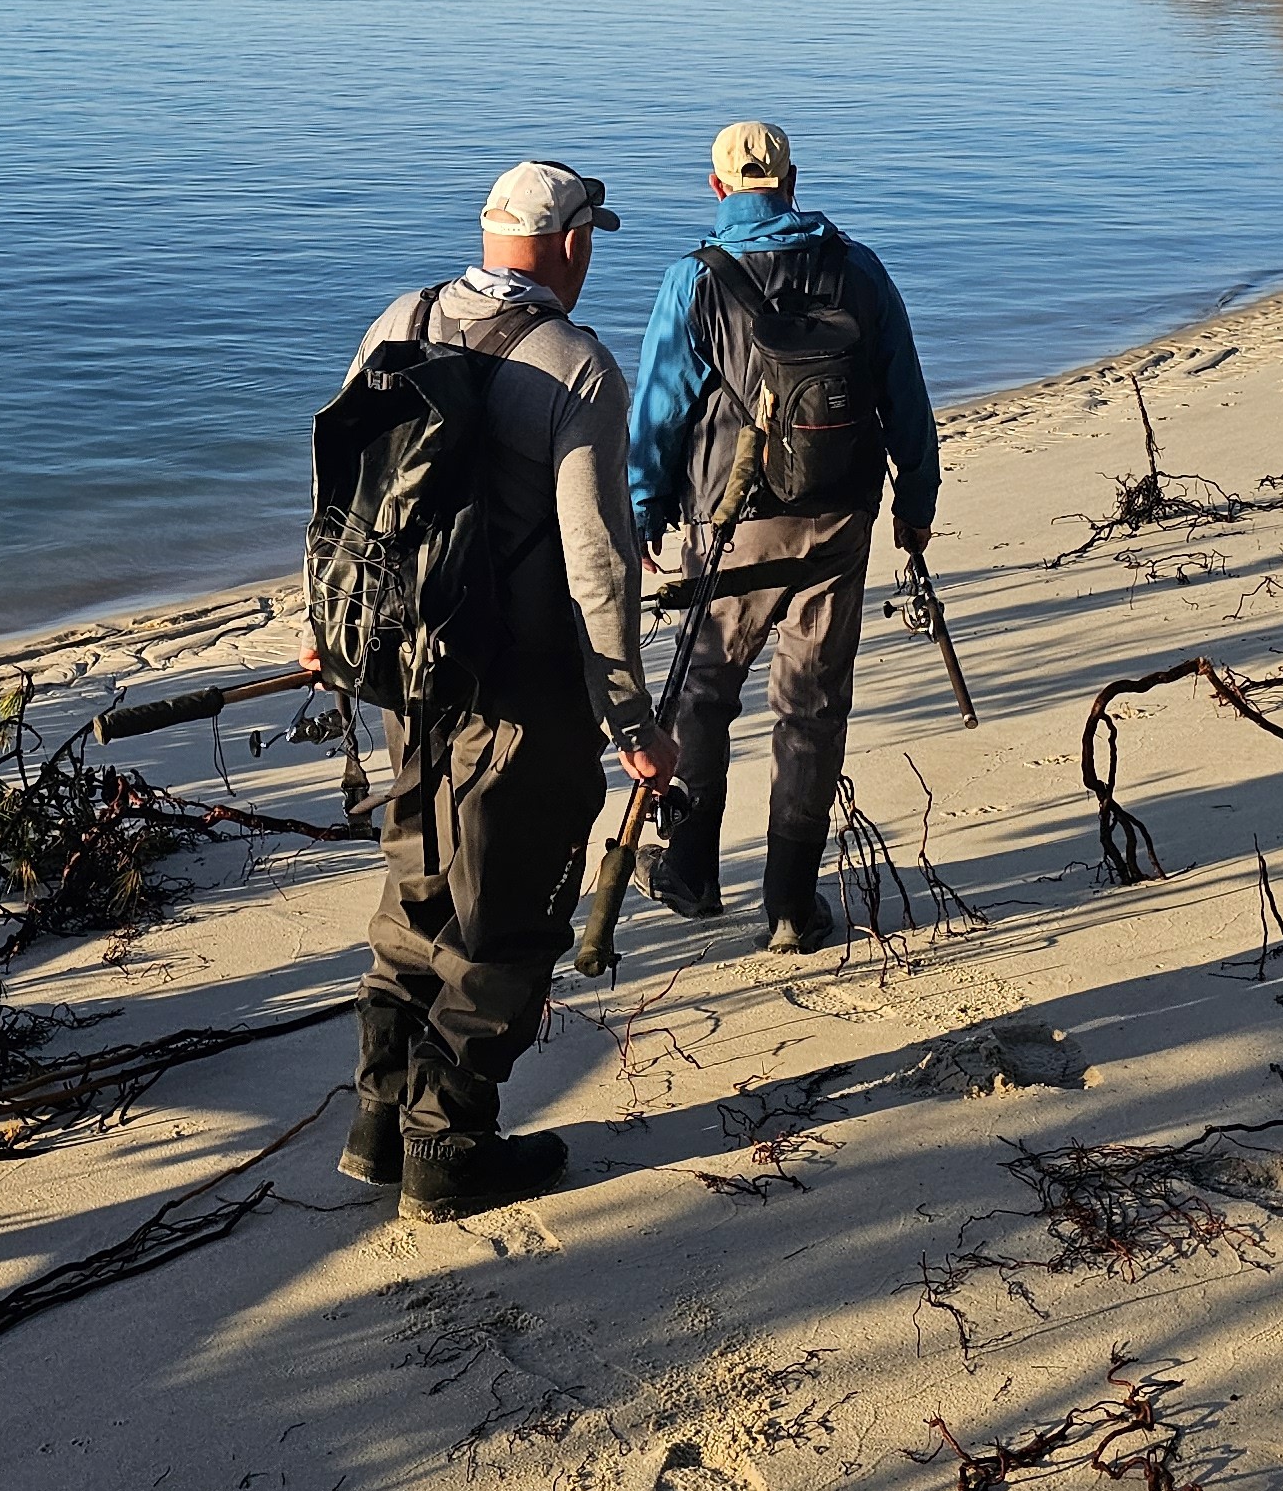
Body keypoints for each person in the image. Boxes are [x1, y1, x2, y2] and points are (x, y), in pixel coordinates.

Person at [326, 159, 672, 1222]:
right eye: (590, 239)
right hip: (522, 688)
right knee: (510, 911)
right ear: (570, 243)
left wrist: (332, 639)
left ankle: (376, 1125)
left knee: (419, 875)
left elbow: (342, 499)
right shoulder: (576, 366)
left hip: (407, 674)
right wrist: (630, 716)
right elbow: (598, 566)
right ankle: (448, 1148)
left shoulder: (402, 316)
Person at [625, 120, 939, 953]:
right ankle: (791, 905)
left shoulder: (694, 280)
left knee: (703, 697)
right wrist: (918, 500)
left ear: (719, 188)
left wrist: (642, 513)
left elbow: (658, 413)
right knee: (811, 707)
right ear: (793, 181)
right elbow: (905, 392)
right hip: (840, 516)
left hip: (731, 527)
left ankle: (691, 873)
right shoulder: (859, 268)